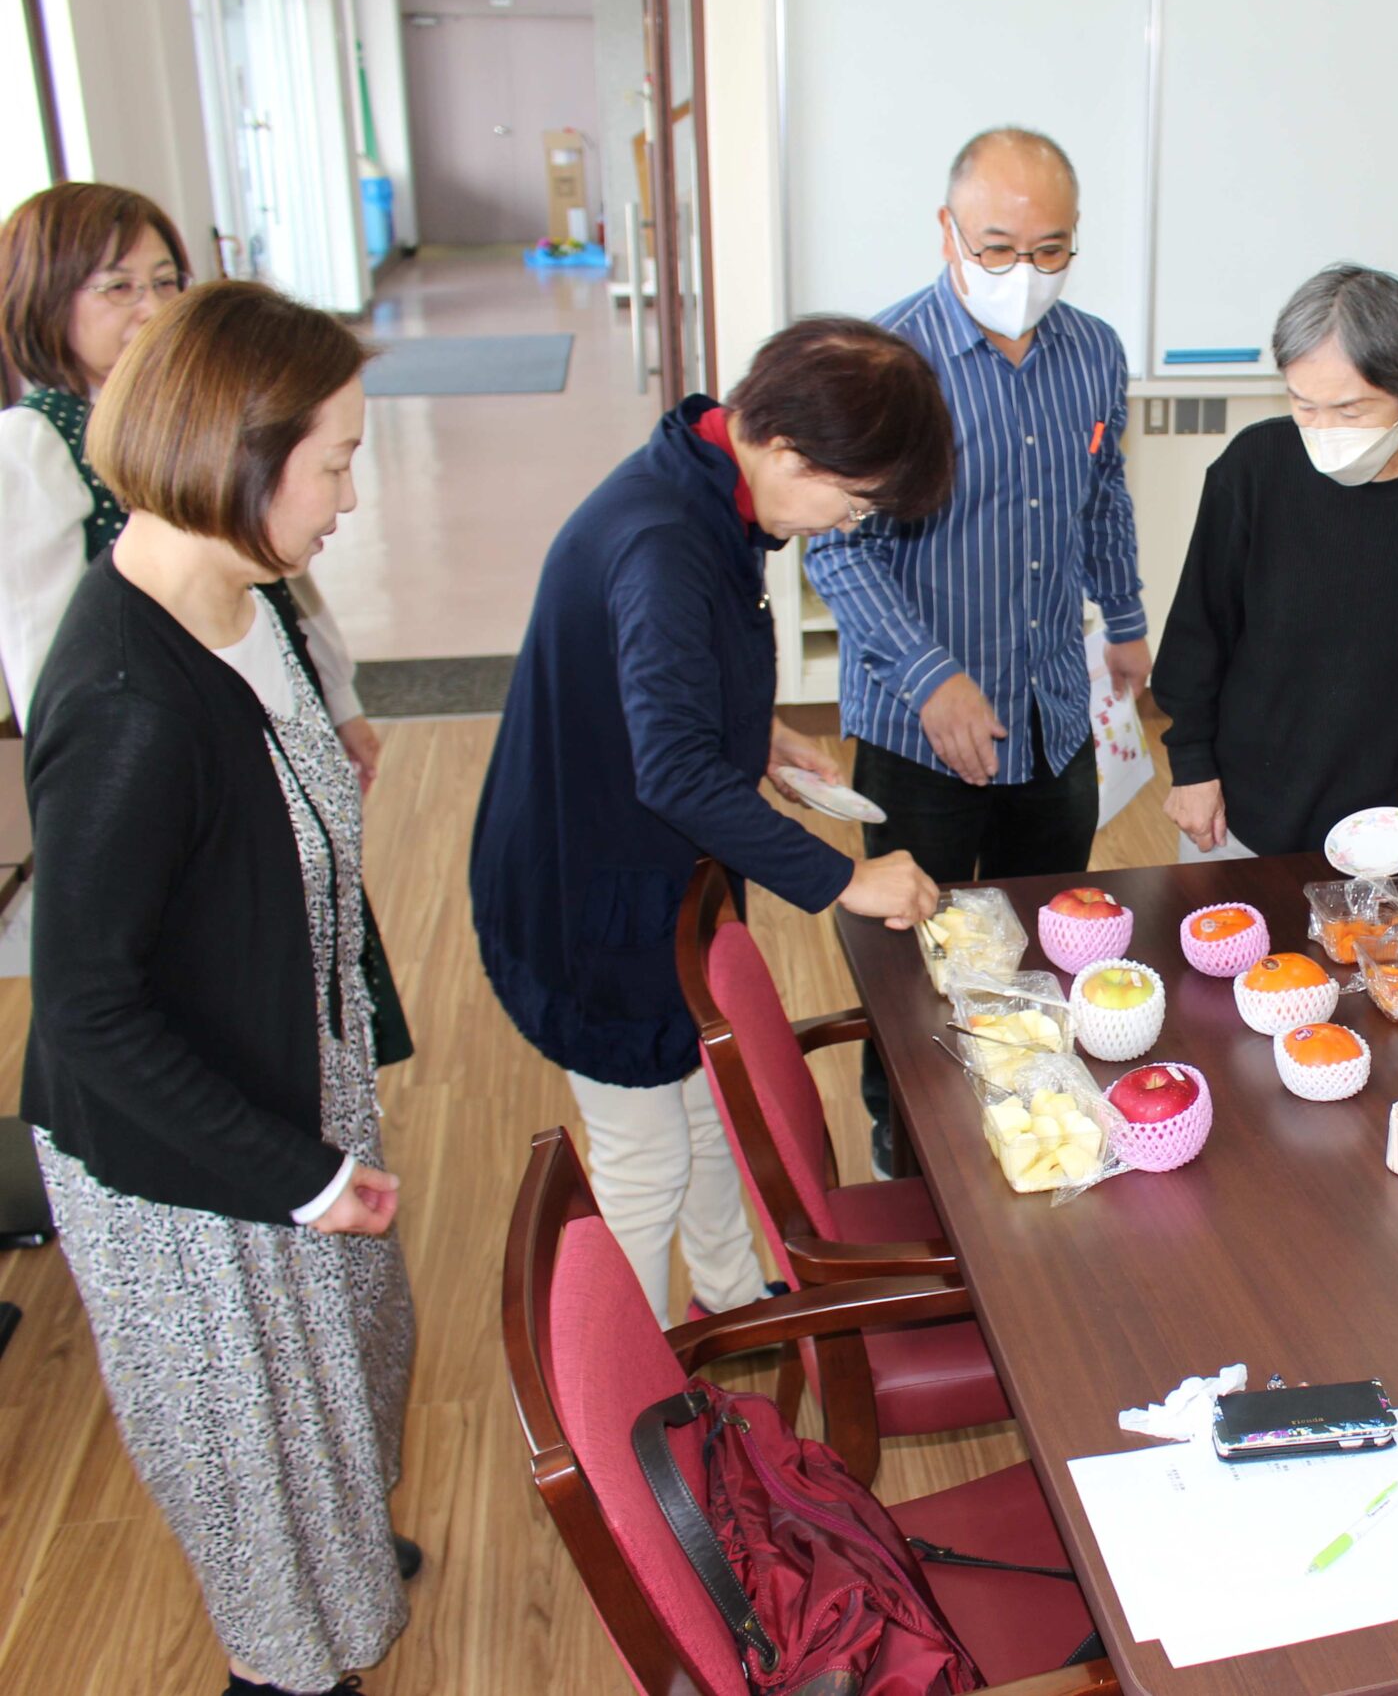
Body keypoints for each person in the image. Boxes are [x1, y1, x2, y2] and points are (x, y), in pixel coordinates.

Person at [21, 280, 412, 1696]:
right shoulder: (129, 704)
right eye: (335, 464)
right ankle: (291, 1661)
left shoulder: (249, 606)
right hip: (193, 1164)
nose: (350, 499)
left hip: (283, 1072)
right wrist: (299, 1174)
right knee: (261, 1479)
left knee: (338, 1399)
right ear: (240, 457)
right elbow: (87, 1011)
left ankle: (337, 1564)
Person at [470, 318, 946, 1325]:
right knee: (644, 1166)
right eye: (854, 501)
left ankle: (733, 1306)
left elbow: (657, 677)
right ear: (788, 449)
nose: (848, 526)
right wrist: (845, 878)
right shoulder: (664, 540)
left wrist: (754, 730)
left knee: (705, 1111)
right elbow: (675, 772)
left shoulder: (708, 484)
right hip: (589, 898)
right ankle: (644, 1400)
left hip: (640, 875)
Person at [801, 126, 1146, 1179]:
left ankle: (1037, 1129)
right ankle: (908, 1156)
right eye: (997, 248)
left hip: (1052, 714)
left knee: (1050, 934)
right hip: (920, 732)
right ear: (946, 232)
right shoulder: (885, 364)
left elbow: (1103, 495)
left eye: (1050, 250)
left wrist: (1125, 619)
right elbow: (835, 547)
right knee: (917, 960)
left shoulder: (1094, 351)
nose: (1022, 273)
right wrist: (932, 678)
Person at [1153, 263, 1398, 861]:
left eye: (1352, 411)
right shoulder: (1253, 468)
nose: (1325, 431)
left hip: (1386, 821)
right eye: (1303, 405)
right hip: (1238, 807)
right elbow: (1198, 629)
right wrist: (1191, 764)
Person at [0, 181, 379, 782]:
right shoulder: (33, 443)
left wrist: (340, 700)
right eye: (118, 287)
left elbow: (287, 584)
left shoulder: (188, 404)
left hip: (264, 694)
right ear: (43, 299)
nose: (152, 308)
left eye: (166, 281)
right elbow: (47, 669)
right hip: (175, 746)